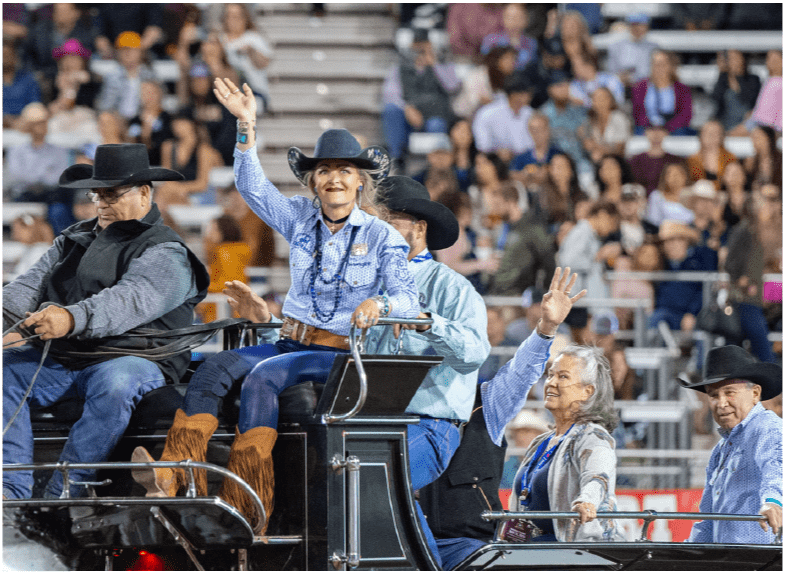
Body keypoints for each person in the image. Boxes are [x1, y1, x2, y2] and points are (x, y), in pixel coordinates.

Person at [131, 79, 420, 536]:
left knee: (264, 377)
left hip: (343, 354)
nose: (335, 179)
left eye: (345, 170)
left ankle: (247, 505)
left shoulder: (384, 236)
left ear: (360, 181)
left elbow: (408, 298)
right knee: (214, 368)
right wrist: (245, 124)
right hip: (290, 340)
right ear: (313, 181)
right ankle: (174, 476)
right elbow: (252, 187)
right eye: (325, 170)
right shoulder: (300, 217)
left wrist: (378, 301)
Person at [2, 143, 210, 500]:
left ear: (144, 193)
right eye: (97, 195)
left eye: (111, 195)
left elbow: (128, 301)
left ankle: (66, 495)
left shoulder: (167, 252)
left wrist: (70, 318)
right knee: (4, 369)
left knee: (116, 382)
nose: (101, 204)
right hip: (72, 357)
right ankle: (11, 492)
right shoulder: (73, 238)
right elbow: (24, 291)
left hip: (137, 358)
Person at [435, 268, 622, 569]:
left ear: (588, 391)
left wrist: (588, 499)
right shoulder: (541, 442)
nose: (551, 382)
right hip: (528, 554)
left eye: (563, 376)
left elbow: (598, 474)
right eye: (550, 374)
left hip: (574, 555)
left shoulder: (593, 436)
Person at [367, 176, 491, 565]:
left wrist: (427, 321)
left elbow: (474, 353)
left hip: (429, 425)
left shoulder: (452, 288)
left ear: (418, 229)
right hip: (369, 425)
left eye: (389, 221)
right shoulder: (363, 289)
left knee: (377, 477)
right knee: (358, 481)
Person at [678, 345, 782, 543]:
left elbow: (777, 467)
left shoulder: (768, 427)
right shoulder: (720, 450)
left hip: (763, 560)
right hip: (731, 559)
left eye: (729, 392)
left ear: (755, 393)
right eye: (713, 395)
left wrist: (774, 502)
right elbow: (708, 520)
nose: (721, 403)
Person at [381, 28, 461, 168]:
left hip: (434, 114)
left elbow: (452, 86)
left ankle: (435, 166)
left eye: (423, 48)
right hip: (409, 116)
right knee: (391, 110)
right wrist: (407, 108)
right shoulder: (399, 68)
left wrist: (434, 64)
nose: (419, 52)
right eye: (416, 48)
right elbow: (389, 94)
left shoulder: (443, 65)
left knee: (436, 124)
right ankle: (397, 158)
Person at [722, 184, 781, 363]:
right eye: (764, 199)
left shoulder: (777, 229)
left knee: (737, 345)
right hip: (746, 295)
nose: (769, 204)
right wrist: (743, 280)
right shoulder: (745, 229)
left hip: (765, 292)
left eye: (774, 199)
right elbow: (731, 264)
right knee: (756, 345)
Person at [557, 202, 620, 342]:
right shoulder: (582, 231)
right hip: (576, 297)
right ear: (603, 215)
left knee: (584, 343)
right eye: (612, 222)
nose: (611, 229)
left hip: (583, 299)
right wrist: (597, 257)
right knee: (582, 343)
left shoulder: (589, 233)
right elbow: (568, 260)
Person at [486, 183, 556, 297]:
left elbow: (549, 262)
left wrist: (544, 295)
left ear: (511, 202)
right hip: (496, 294)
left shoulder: (532, 228)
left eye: (498, 205)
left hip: (518, 296)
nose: (495, 210)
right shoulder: (502, 229)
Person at [649, 220, 717, 333]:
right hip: (666, 314)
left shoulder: (700, 260)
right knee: (655, 320)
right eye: (665, 242)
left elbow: (705, 290)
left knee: (705, 329)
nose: (669, 245)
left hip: (695, 315)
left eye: (673, 240)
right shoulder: (660, 263)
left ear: (685, 240)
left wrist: (692, 313)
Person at [218, 3, 274, 113]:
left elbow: (264, 64)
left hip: (253, 92)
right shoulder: (218, 40)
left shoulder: (253, 39)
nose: (232, 20)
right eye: (229, 16)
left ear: (245, 18)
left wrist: (250, 51)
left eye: (236, 16)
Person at [472, 70, 535, 162]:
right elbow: (482, 146)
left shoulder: (530, 113)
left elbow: (533, 145)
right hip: (495, 161)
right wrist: (497, 152)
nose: (529, 97)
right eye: (526, 94)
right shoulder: (487, 113)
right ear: (514, 94)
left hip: (525, 161)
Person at [95, 31, 156, 121]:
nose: (128, 53)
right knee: (105, 118)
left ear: (141, 52)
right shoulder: (112, 76)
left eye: (132, 49)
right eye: (123, 50)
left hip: (142, 119)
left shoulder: (150, 75)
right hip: (118, 119)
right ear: (118, 53)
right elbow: (105, 105)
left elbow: (156, 104)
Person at [631, 50, 693, 135]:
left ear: (671, 66)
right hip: (647, 128)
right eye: (655, 64)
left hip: (672, 128)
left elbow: (685, 115)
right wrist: (651, 128)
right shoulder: (640, 88)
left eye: (662, 64)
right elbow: (637, 113)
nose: (659, 68)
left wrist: (667, 129)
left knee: (681, 132)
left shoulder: (682, 90)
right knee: (638, 132)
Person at [711, 50, 762, 135]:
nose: (737, 62)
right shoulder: (722, 80)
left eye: (738, 58)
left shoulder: (753, 80)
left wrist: (739, 77)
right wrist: (723, 73)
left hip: (746, 124)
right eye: (733, 59)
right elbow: (716, 101)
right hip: (726, 123)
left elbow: (754, 103)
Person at [577, 87, 631, 165]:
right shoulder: (589, 121)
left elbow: (620, 150)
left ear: (610, 100)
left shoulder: (619, 118)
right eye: (595, 99)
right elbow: (587, 145)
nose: (599, 102)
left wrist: (596, 147)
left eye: (602, 98)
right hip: (599, 162)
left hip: (618, 162)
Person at [627, 124, 682, 196]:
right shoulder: (634, 161)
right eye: (652, 130)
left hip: (667, 202)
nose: (656, 134)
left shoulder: (675, 161)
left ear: (666, 133)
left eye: (660, 130)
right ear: (645, 132)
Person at [606, 13, 659, 88]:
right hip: (622, 86)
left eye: (641, 25)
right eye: (634, 25)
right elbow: (612, 70)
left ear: (647, 27)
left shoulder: (654, 47)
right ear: (629, 26)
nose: (638, 28)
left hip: (647, 87)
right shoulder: (617, 46)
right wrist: (621, 77)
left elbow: (655, 71)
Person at [510, 112, 562, 187]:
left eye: (540, 129)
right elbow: (513, 175)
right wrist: (528, 173)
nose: (536, 134)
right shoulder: (522, 157)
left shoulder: (558, 155)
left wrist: (545, 172)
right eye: (533, 130)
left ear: (548, 130)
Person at [480, 3, 538, 71]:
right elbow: (486, 64)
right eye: (510, 17)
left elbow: (534, 68)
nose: (514, 22)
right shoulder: (491, 41)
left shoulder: (532, 43)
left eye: (519, 17)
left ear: (526, 20)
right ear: (503, 19)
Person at [686, 120, 737, 188]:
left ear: (721, 136)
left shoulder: (730, 159)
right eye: (707, 132)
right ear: (700, 136)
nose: (711, 136)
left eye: (715, 133)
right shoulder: (691, 160)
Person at [646, 162, 695, 227]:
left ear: (685, 176)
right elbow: (653, 222)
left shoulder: (695, 195)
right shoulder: (657, 196)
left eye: (678, 174)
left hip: (690, 232)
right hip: (665, 233)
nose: (675, 177)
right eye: (670, 174)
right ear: (665, 177)